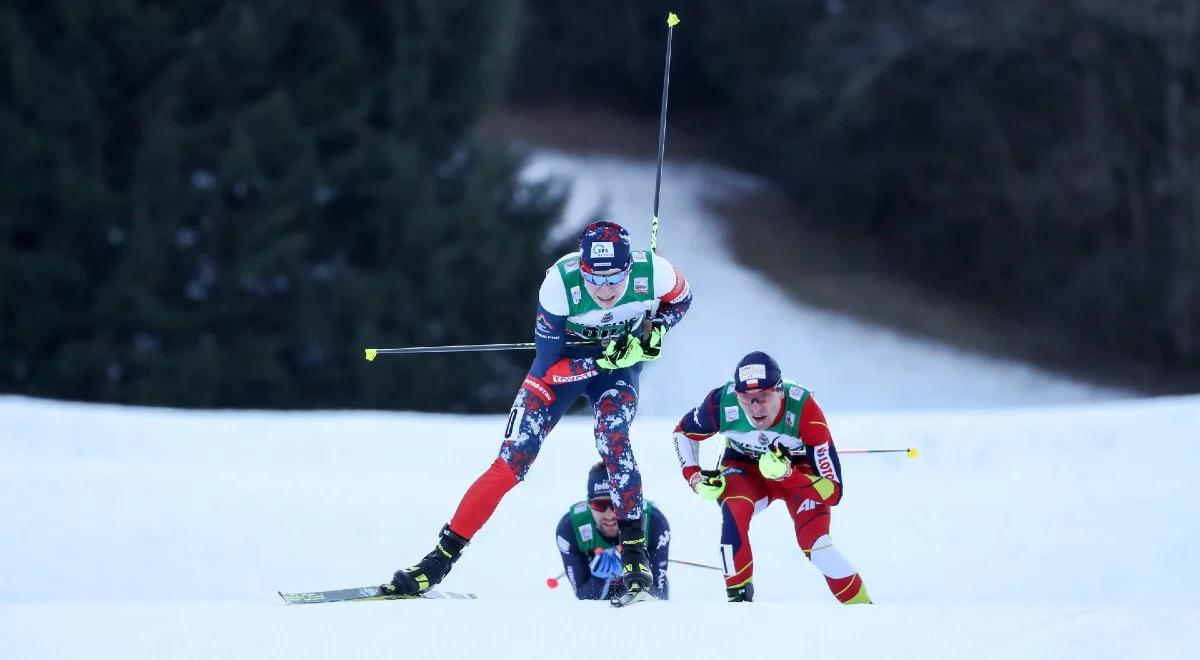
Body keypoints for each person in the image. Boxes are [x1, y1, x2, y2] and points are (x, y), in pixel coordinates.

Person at [384, 220, 692, 605]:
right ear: (582, 268)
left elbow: (682, 298)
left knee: (613, 440)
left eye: (616, 277)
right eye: (595, 278)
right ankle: (437, 562)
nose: (606, 289)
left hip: (618, 369)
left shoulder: (655, 271)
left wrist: (656, 328)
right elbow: (549, 367)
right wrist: (603, 358)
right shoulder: (560, 285)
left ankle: (634, 559)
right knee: (509, 465)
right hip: (565, 369)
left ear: (630, 267)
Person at [671, 351, 872, 604]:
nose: (755, 408)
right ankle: (739, 604)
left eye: (763, 397)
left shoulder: (805, 410)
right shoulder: (721, 402)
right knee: (734, 511)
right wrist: (695, 478)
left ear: (780, 391)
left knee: (817, 545)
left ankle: (865, 611)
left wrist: (788, 474)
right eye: (746, 398)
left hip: (799, 470)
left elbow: (834, 492)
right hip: (744, 468)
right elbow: (682, 433)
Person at [556, 462, 671, 601]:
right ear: (589, 504)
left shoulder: (654, 522)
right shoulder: (570, 529)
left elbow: (660, 595)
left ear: (628, 503)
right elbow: (582, 596)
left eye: (616, 505)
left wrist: (634, 573)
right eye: (599, 505)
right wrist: (599, 579)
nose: (610, 515)